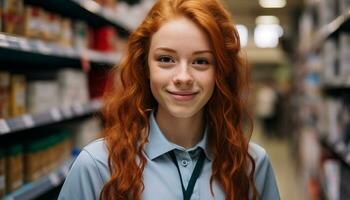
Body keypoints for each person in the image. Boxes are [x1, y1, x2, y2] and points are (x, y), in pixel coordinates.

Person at [58, 0, 280, 199]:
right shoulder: (97, 167)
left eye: (201, 61)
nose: (183, 77)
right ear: (144, 66)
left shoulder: (252, 165)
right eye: (166, 59)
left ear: (220, 72)